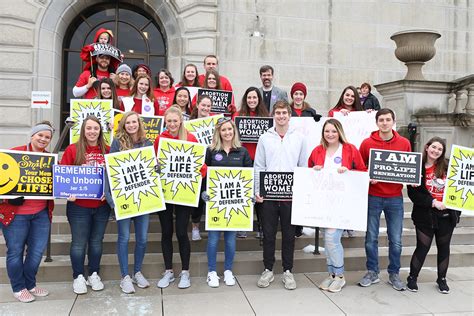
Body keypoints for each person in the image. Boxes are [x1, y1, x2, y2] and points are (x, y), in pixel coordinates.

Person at [308, 119, 366, 293]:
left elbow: (362, 172)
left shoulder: (350, 149)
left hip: (342, 203)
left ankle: (339, 276)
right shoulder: (318, 150)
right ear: (323, 133)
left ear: (339, 132)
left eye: (333, 131)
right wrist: (315, 170)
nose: (330, 134)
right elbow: (308, 172)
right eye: (327, 131)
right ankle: (331, 274)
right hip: (324, 203)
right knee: (328, 240)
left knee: (332, 239)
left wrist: (349, 172)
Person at [254, 100, 307, 290]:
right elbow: (259, 166)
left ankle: (287, 271)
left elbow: (303, 166)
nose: (281, 116)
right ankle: (268, 269)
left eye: (284, 113)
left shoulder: (299, 138)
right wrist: (257, 190)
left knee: (289, 235)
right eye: (278, 113)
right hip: (268, 197)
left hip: (290, 196)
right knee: (268, 234)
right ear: (273, 115)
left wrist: (301, 192)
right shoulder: (264, 138)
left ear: (289, 115)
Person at [0, 122, 55, 303]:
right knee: (15, 251)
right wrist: (7, 197)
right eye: (40, 135)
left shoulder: (50, 159)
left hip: (40, 214)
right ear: (32, 135)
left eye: (47, 137)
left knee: (36, 252)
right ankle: (18, 287)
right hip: (16, 215)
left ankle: (30, 284)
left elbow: (60, 181)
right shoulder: (14, 153)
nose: (43, 139)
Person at [358, 108, 411, 291]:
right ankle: (372, 271)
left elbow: (407, 168)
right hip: (373, 195)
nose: (385, 123)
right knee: (370, 237)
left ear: (393, 121)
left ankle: (394, 273)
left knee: (395, 239)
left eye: (388, 119)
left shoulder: (404, 143)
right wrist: (367, 175)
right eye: (381, 120)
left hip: (394, 197)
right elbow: (360, 166)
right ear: (377, 122)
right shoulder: (366, 143)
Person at [153, 106, 203, 289]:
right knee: (166, 232)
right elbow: (154, 162)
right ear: (165, 122)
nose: (172, 124)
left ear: (181, 120)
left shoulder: (190, 138)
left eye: (175, 120)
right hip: (165, 192)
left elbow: (201, 165)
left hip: (183, 193)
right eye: (169, 121)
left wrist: (200, 170)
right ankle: (168, 271)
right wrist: (156, 166)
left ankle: (185, 272)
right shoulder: (160, 139)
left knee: (182, 232)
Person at [61, 116, 111, 295]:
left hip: (102, 205)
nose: (92, 131)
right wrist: (68, 192)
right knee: (79, 243)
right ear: (83, 130)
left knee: (97, 242)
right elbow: (63, 176)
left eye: (95, 128)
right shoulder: (72, 149)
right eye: (88, 128)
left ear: (100, 131)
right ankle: (78, 276)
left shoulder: (108, 150)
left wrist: (110, 191)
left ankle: (94, 274)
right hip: (78, 206)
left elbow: (115, 176)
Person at [406, 137, 460, 294]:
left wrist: (453, 205)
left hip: (446, 215)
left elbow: (459, 186)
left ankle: (442, 279)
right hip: (425, 215)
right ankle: (412, 277)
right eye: (433, 147)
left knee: (444, 248)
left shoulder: (449, 166)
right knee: (423, 247)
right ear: (427, 147)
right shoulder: (417, 166)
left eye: (440, 149)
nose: (436, 151)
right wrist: (432, 202)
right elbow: (414, 194)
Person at [107, 111, 153, 294]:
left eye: (134, 122)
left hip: (143, 197)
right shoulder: (117, 143)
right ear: (124, 125)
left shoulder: (147, 143)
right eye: (128, 123)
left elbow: (151, 167)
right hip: (124, 197)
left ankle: (137, 272)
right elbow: (111, 170)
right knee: (124, 238)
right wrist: (112, 199)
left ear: (139, 123)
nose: (132, 125)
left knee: (142, 238)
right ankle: (124, 276)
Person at [204, 117, 253, 287]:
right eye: (223, 130)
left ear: (234, 131)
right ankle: (211, 272)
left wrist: (250, 195)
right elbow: (204, 175)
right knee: (213, 239)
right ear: (219, 132)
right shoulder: (210, 151)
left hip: (235, 203)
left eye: (229, 129)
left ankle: (228, 271)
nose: (227, 132)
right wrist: (204, 192)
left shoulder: (242, 152)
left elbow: (249, 177)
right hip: (215, 203)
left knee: (231, 239)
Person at [232, 87, 270, 239]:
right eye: (249, 98)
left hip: (260, 160)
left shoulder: (266, 116)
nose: (252, 100)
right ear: (245, 99)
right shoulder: (238, 115)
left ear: (259, 99)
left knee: (260, 195)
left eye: (254, 97)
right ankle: (242, 226)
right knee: (243, 193)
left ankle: (261, 227)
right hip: (242, 159)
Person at [189, 95, 213, 240]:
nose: (205, 108)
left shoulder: (214, 124)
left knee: (209, 194)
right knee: (197, 197)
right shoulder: (189, 124)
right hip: (195, 164)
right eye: (203, 105)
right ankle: (195, 227)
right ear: (197, 105)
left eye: (208, 106)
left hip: (211, 162)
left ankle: (214, 225)